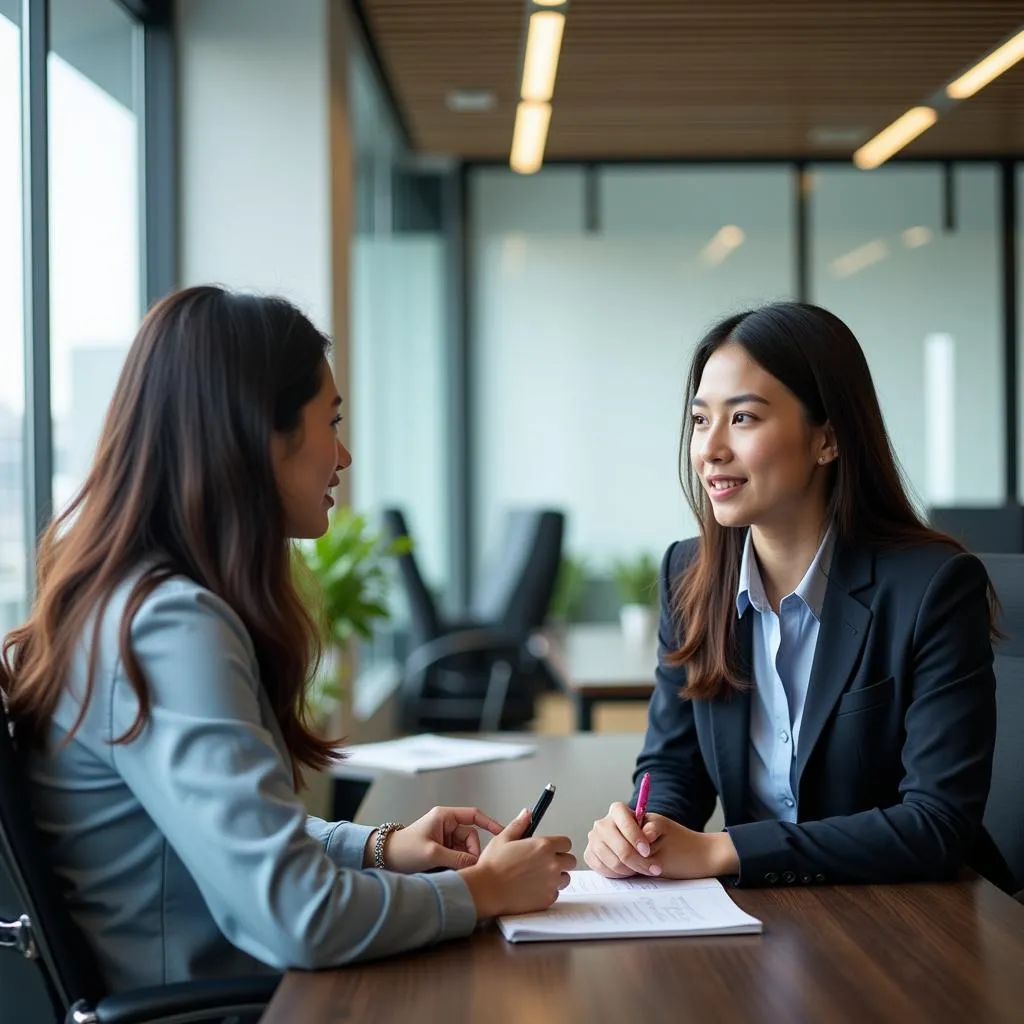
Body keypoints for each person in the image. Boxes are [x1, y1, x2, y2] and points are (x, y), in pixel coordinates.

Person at [1, 285, 575, 993]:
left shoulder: (124, 602)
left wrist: (379, 846)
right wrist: (483, 892)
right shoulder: (170, 628)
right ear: (258, 436)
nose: (344, 454)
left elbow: (230, 840)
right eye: (329, 422)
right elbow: (297, 915)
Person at [585, 301, 1012, 891]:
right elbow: (673, 764)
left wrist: (725, 850)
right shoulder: (689, 574)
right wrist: (643, 833)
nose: (710, 449)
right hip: (768, 920)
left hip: (915, 926)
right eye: (701, 419)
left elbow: (935, 826)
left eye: (744, 419)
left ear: (827, 440)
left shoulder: (933, 586)